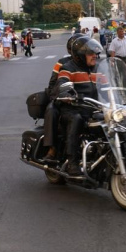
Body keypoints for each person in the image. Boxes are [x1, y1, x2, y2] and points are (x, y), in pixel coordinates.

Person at [52, 37, 104, 175]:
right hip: (73, 107)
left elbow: (108, 85)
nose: (95, 56)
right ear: (80, 56)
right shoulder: (68, 68)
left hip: (93, 108)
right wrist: (67, 92)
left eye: (96, 53)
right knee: (76, 119)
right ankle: (72, 162)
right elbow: (61, 82)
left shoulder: (97, 69)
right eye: (91, 53)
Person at [42, 33, 84, 161]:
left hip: (84, 100)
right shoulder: (62, 63)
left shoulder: (89, 63)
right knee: (52, 110)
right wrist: (60, 96)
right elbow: (53, 84)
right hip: (64, 98)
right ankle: (52, 148)